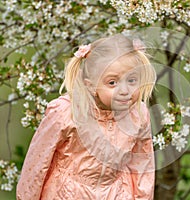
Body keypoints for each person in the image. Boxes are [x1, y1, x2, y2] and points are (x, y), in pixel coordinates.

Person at [16, 34, 157, 200]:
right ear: (90, 85)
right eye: (112, 82)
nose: (124, 90)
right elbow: (37, 164)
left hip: (116, 193)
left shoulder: (137, 115)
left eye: (132, 80)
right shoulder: (66, 113)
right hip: (67, 194)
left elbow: (142, 164)